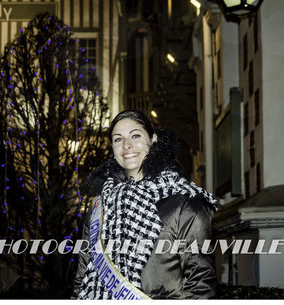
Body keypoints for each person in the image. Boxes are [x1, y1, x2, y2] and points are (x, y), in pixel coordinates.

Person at [73, 110, 217, 299]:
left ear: (153, 139)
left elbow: (200, 283)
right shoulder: (99, 206)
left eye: (136, 135)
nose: (127, 145)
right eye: (118, 139)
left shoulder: (185, 203)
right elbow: (82, 277)